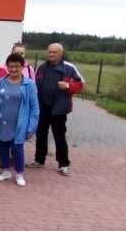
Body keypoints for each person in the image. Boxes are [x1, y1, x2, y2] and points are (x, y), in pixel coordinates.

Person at [28, 43, 84, 176]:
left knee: (59, 136)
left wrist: (68, 86)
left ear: (60, 53)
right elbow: (34, 85)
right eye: (49, 52)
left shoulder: (69, 68)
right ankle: (39, 160)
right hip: (43, 107)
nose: (51, 54)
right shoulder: (42, 67)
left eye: (54, 52)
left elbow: (81, 84)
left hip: (59, 108)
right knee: (41, 134)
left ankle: (63, 164)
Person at [0, 53, 39, 187]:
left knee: (17, 149)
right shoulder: (0, 82)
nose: (13, 69)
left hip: (19, 123)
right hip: (2, 122)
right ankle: (5, 171)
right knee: (3, 147)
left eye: (17, 66)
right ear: (7, 67)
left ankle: (19, 174)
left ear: (22, 67)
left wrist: (31, 127)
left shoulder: (29, 85)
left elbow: (34, 108)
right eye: (11, 66)